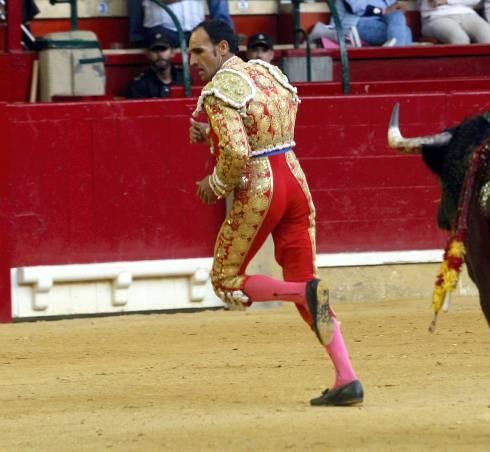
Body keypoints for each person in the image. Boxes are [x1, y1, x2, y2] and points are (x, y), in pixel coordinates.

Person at [188, 20, 364, 406]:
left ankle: (305, 290)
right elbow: (264, 125)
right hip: (295, 179)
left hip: (260, 188)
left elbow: (236, 154)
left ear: (221, 48)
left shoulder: (218, 91)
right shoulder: (266, 71)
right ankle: (346, 377)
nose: (191, 61)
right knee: (305, 283)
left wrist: (214, 184)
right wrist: (211, 134)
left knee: (225, 278)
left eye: (198, 51)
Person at [128, 0, 234, 47]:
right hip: (161, 30)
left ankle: (226, 34)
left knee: (216, 45)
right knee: (160, 50)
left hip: (196, 30)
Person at [127, 32, 183, 98]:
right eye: (155, 50)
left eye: (163, 49)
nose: (159, 55)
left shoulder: (183, 78)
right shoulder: (140, 85)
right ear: (148, 54)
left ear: (172, 52)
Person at [333, 0, 413, 46]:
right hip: (354, 25)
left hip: (379, 22)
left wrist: (397, 7)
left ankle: (395, 58)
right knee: (405, 32)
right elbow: (356, 8)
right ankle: (398, 63)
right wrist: (383, 11)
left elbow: (391, 8)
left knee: (397, 16)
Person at [419, 0, 490, 44]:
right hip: (436, 16)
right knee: (459, 38)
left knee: (488, 35)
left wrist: (447, 1)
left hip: (468, 13)